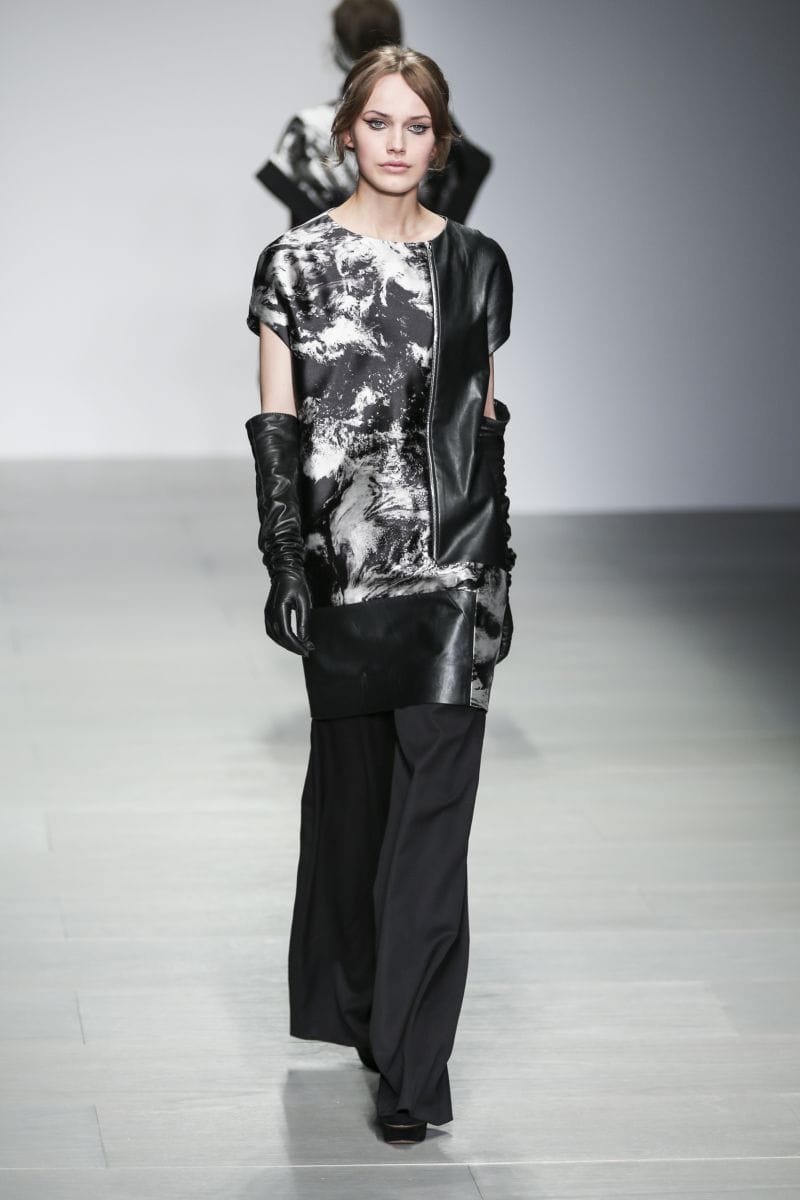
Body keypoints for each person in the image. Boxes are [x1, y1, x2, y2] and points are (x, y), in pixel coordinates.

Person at [244, 43, 515, 1145]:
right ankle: (366, 1012)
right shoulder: (294, 263)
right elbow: (278, 428)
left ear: (439, 143)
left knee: (432, 831)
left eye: (417, 126)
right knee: (355, 818)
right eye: (379, 122)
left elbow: (484, 427)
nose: (397, 143)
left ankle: (412, 1072)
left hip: (452, 570)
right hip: (346, 572)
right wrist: (283, 561)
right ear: (346, 132)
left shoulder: (479, 263)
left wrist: (498, 564)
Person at [255, 0, 491, 226]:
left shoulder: (310, 131)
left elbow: (303, 234)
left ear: (337, 47)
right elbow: (469, 170)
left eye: (416, 128)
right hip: (420, 252)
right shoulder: (437, 125)